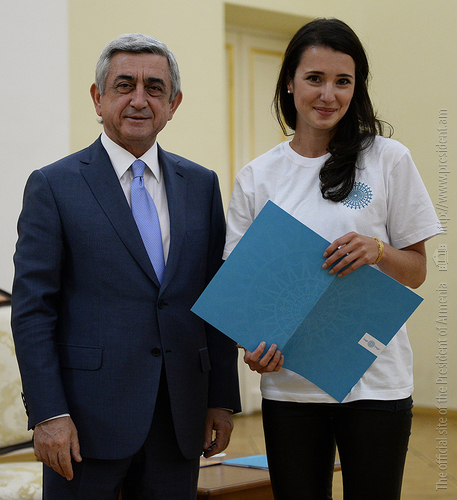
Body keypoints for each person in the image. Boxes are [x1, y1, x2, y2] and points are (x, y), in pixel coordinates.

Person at [11, 33, 240, 500]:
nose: (139, 99)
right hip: (84, 424)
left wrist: (221, 399)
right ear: (98, 98)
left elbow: (215, 298)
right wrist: (49, 413)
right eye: (124, 85)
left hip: (180, 418)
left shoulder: (201, 184)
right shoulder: (54, 185)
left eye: (155, 88)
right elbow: (33, 310)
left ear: (173, 104)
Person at [223, 18, 441, 500]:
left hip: (377, 384)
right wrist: (252, 347)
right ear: (289, 82)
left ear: (356, 87)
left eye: (343, 81)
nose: (328, 95)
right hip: (290, 388)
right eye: (314, 78)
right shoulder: (258, 176)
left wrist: (378, 250)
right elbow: (241, 293)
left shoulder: (389, 159)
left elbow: (417, 271)